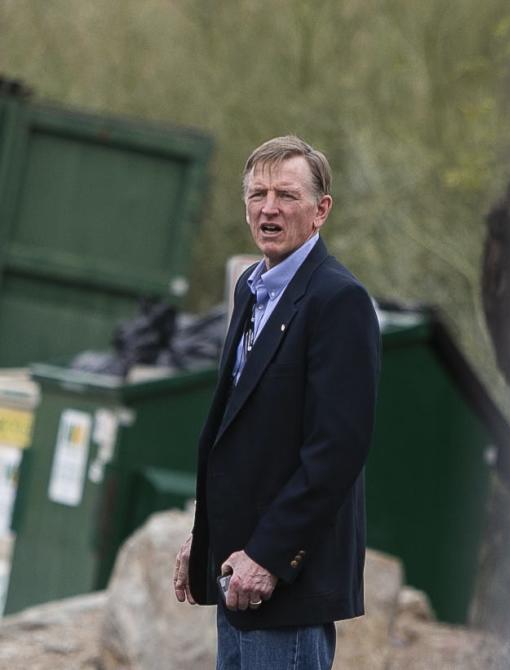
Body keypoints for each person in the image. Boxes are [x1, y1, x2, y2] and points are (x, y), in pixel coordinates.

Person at [172, 135, 381, 670]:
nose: (269, 208)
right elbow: (238, 433)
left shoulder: (340, 301)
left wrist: (268, 557)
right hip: (235, 576)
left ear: (320, 211)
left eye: (287, 195)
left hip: (283, 585)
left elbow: (336, 450)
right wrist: (206, 539)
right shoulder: (251, 286)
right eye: (257, 194)